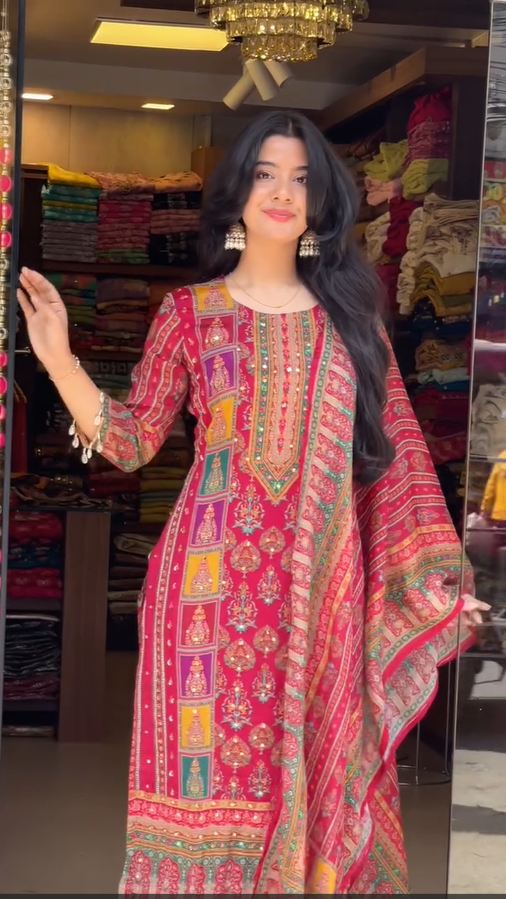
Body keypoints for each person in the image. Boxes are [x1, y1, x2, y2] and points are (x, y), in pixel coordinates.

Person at [18, 110, 487, 895]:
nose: (282, 192)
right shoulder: (189, 314)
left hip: (319, 598)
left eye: (302, 178)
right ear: (238, 189)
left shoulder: (353, 323)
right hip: (204, 597)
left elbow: (396, 462)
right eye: (266, 173)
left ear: (321, 201)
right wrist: (62, 362)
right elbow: (131, 441)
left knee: (318, 777)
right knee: (206, 792)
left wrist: (437, 586)